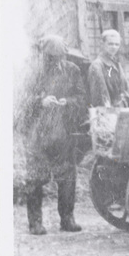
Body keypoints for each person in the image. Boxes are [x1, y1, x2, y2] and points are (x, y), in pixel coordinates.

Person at [17, 35, 86, 235]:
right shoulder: (32, 72)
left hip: (63, 132)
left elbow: (81, 98)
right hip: (37, 134)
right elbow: (20, 101)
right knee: (36, 178)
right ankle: (35, 223)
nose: (56, 61)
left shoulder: (73, 71)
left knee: (67, 177)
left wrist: (67, 102)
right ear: (44, 55)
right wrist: (40, 102)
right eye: (51, 57)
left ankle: (67, 219)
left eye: (60, 56)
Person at [88, 29, 129, 107]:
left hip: (122, 109)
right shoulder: (97, 66)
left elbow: (124, 89)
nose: (114, 47)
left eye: (117, 44)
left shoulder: (116, 64)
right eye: (110, 44)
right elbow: (101, 96)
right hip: (109, 113)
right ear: (102, 44)